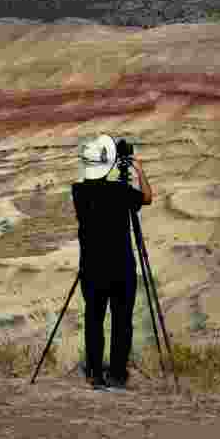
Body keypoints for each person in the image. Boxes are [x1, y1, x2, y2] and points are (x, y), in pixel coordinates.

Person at [71, 134, 153, 390]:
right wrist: (136, 167)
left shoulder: (79, 192)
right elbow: (148, 197)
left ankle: (95, 374)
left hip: (91, 269)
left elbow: (95, 188)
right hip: (121, 270)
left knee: (94, 320)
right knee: (121, 321)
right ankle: (117, 374)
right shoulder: (121, 191)